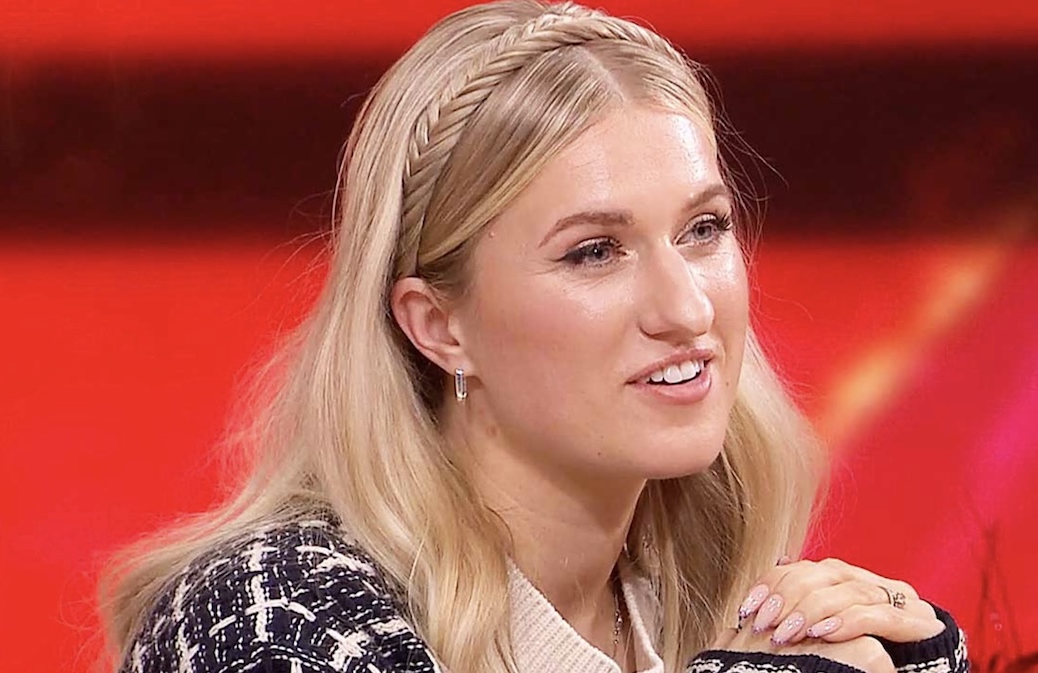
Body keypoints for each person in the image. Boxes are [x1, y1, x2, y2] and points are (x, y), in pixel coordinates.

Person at [100, 2, 968, 672]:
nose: (688, 308)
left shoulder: (719, 608)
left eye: (703, 230)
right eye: (595, 252)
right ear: (438, 325)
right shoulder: (273, 619)